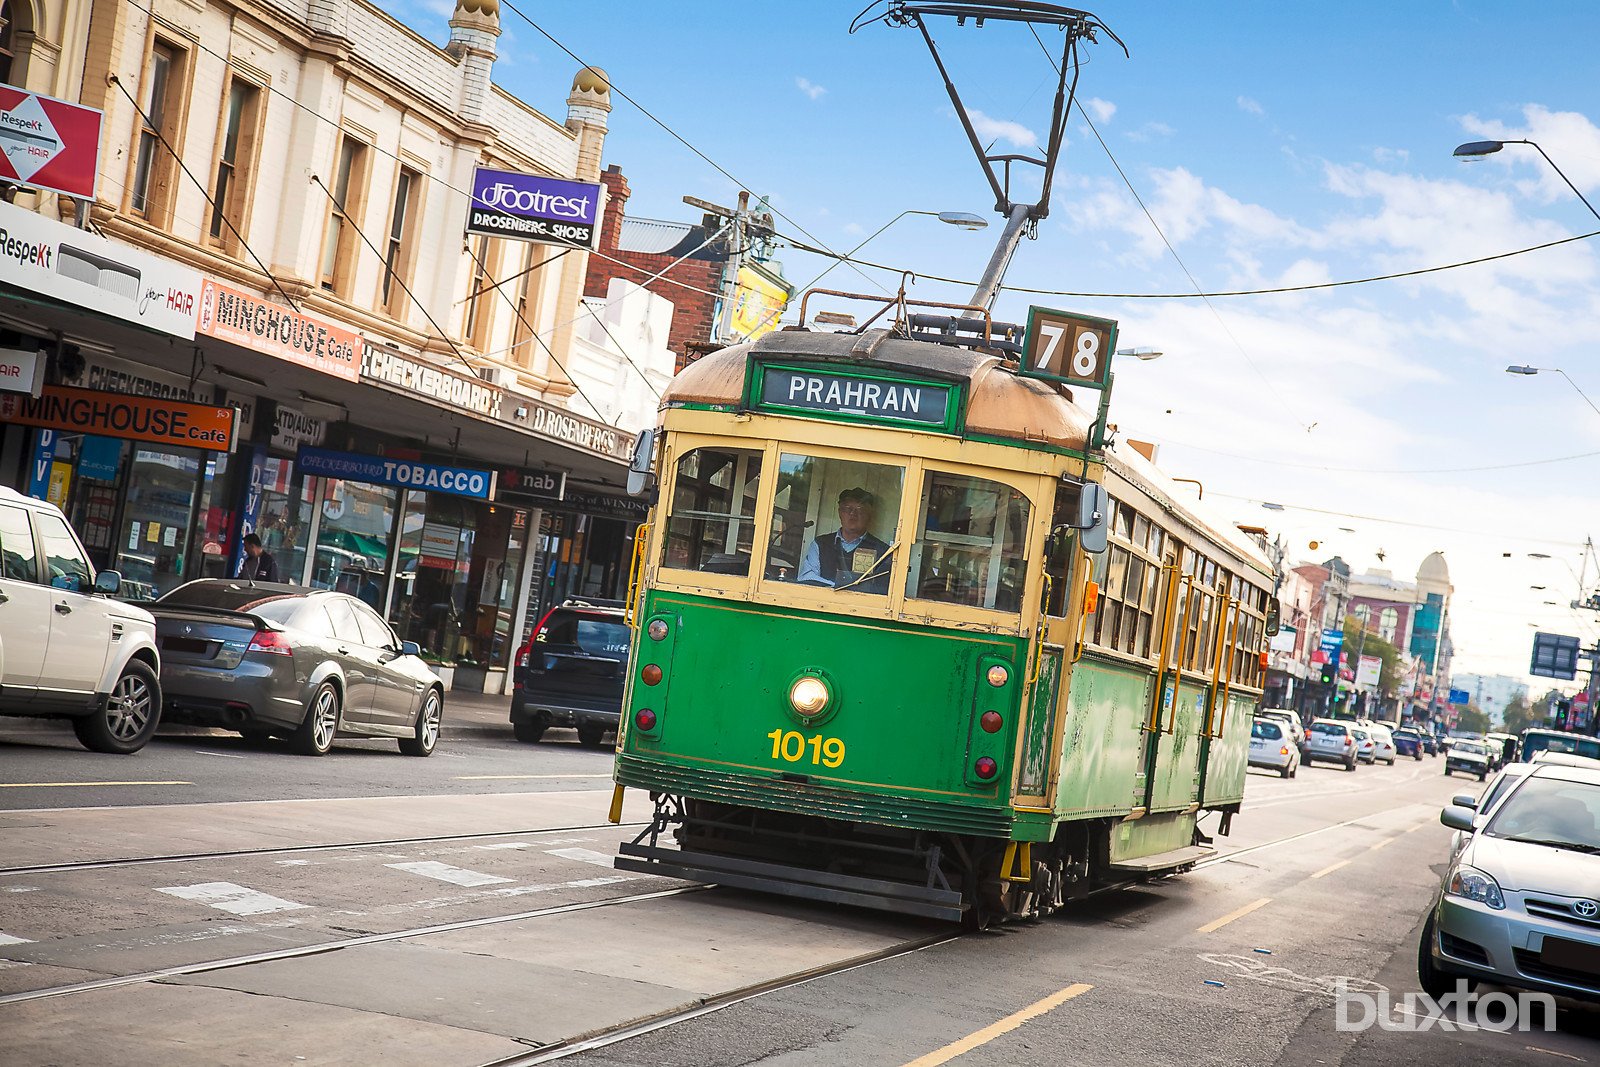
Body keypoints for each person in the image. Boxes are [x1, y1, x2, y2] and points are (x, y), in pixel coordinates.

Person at [797, 487, 892, 594]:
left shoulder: (883, 551)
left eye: (860, 510)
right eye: (848, 509)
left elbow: (883, 590)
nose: (853, 514)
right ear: (840, 512)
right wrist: (838, 587)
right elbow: (806, 577)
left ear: (869, 515)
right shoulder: (820, 544)